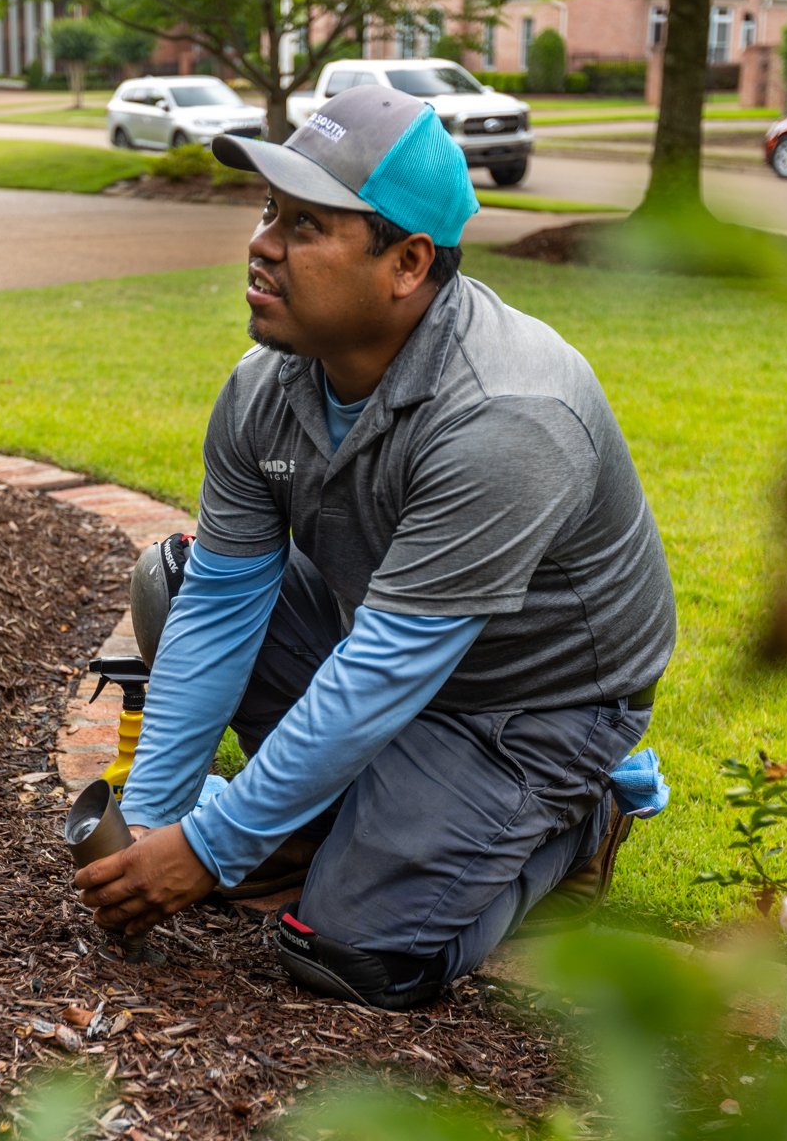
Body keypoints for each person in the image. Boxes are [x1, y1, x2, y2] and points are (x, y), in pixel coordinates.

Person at [73, 85, 676, 1009]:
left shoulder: (508, 415)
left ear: (406, 263)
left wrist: (210, 847)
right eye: (270, 210)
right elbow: (227, 604)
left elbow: (390, 666)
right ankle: (357, 812)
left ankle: (576, 816)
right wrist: (150, 823)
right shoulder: (265, 383)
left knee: (347, 951)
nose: (262, 243)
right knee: (177, 578)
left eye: (307, 224)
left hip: (527, 705)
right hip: (386, 644)